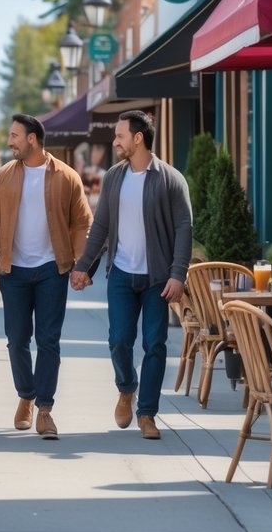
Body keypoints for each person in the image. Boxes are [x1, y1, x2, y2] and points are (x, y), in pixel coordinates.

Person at [71, 111, 192, 439]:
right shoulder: (114, 177)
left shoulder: (170, 179)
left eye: (120, 135)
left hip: (158, 278)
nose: (116, 141)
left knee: (155, 344)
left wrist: (178, 274)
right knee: (119, 340)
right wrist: (84, 265)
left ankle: (147, 413)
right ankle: (127, 388)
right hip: (122, 274)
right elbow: (102, 226)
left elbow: (184, 227)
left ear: (138, 138)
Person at [0, 113, 92, 439]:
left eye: (14, 135)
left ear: (32, 139)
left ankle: (44, 409)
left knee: (49, 340)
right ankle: (25, 395)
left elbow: (83, 223)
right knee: (16, 340)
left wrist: (81, 265)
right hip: (13, 270)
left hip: (51, 270)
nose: (10, 141)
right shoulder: (3, 177)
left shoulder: (66, 177)